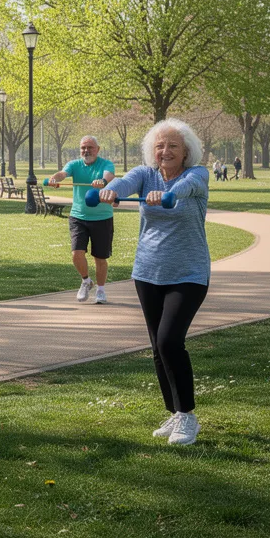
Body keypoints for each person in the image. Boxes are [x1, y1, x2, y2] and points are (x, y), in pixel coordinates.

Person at [98, 119, 210, 446]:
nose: (165, 151)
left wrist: (167, 195)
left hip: (189, 273)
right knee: (158, 349)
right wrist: (110, 191)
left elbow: (186, 189)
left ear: (186, 150)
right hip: (147, 272)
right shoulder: (145, 174)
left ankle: (188, 416)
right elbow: (125, 182)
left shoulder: (197, 174)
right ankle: (175, 412)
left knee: (169, 341)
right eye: (160, 145)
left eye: (173, 145)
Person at [47, 136, 116, 304]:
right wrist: (55, 179)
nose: (86, 151)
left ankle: (100, 290)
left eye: (90, 147)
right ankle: (86, 281)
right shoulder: (74, 164)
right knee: (76, 254)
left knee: (100, 258)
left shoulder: (105, 164)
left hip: (102, 217)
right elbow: (63, 173)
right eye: (83, 148)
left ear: (97, 149)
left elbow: (110, 175)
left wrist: (103, 181)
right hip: (78, 216)